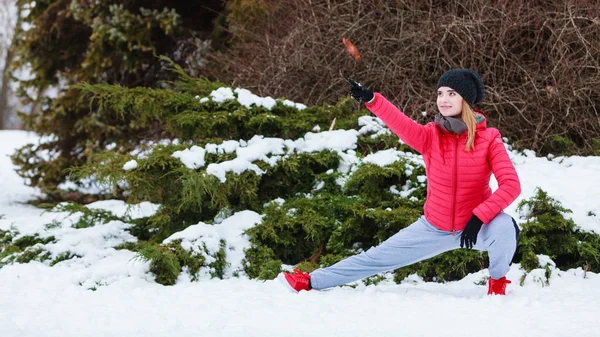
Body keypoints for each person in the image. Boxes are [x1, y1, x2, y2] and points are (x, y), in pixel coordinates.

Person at [278, 68, 522, 295]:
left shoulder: (489, 138)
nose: (443, 99)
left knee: (505, 227)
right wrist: (372, 99)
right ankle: (313, 281)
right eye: (439, 93)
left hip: (476, 226)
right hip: (434, 228)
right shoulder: (430, 136)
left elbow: (511, 185)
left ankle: (497, 286)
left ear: (465, 100)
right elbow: (399, 123)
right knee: (376, 257)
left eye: (451, 93)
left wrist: (479, 217)